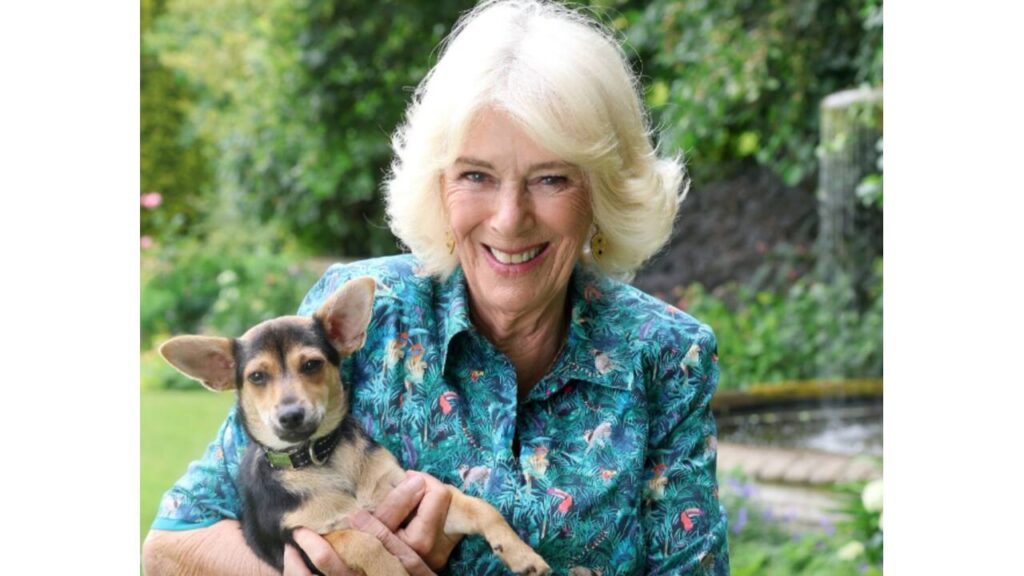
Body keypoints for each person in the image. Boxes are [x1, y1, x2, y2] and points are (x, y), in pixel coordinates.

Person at [142, 0, 729, 574]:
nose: (508, 218)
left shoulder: (666, 354)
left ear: (603, 193)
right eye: (476, 174)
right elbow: (173, 544)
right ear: (437, 185)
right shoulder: (367, 314)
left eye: (551, 178)